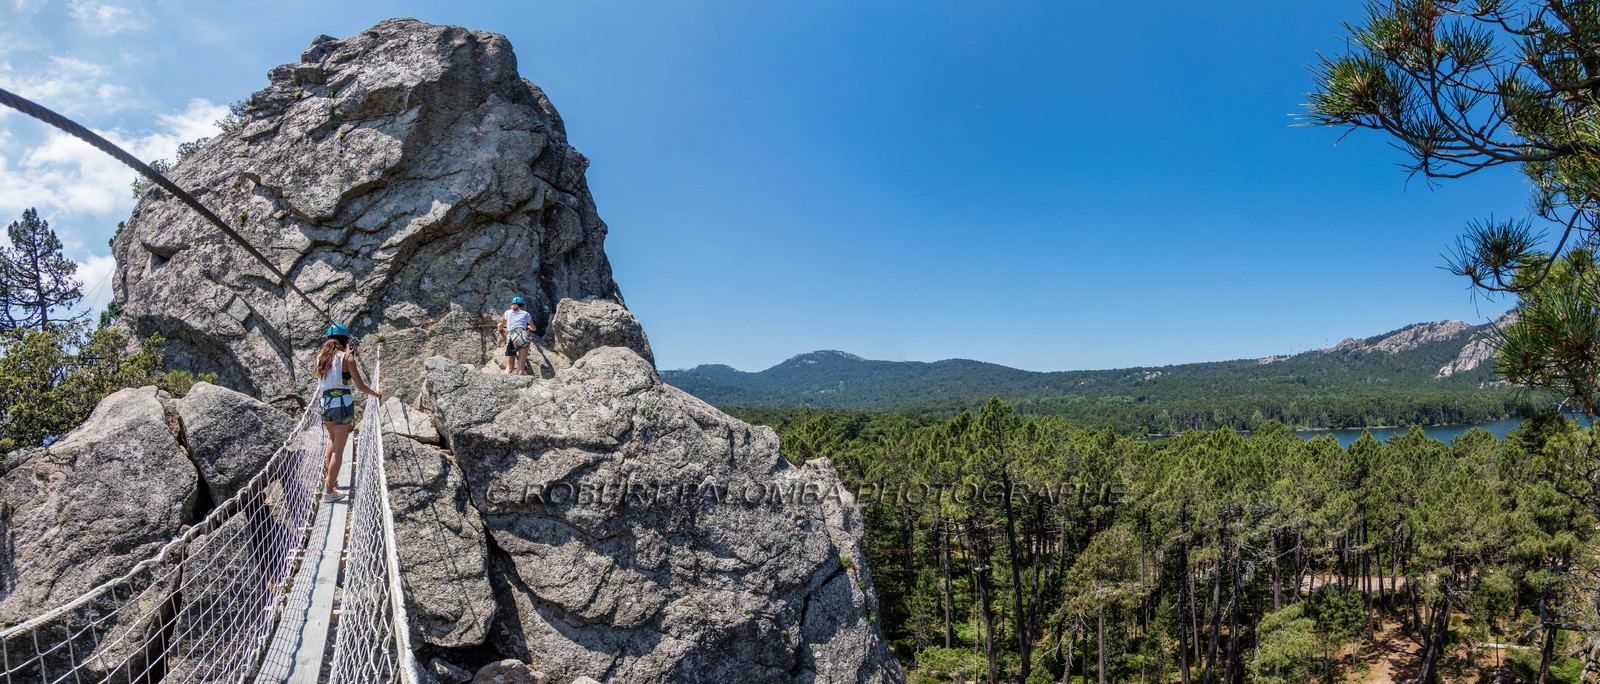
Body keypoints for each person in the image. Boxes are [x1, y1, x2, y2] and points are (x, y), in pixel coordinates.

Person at [315, 324, 380, 503]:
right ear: (345, 340)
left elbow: (336, 373)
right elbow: (360, 386)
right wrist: (375, 393)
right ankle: (329, 492)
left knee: (332, 440)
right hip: (342, 404)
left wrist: (348, 352)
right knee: (338, 448)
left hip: (324, 404)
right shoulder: (348, 358)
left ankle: (332, 480)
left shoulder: (321, 358)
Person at [498, 296, 537, 375]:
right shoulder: (526, 314)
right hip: (523, 337)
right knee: (521, 368)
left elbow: (501, 326)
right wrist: (528, 327)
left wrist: (499, 327)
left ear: (512, 305)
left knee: (509, 369)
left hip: (511, 338)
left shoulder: (507, 313)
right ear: (522, 306)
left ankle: (504, 384)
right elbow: (534, 328)